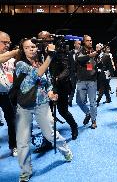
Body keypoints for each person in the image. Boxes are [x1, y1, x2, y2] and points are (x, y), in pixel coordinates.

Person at [15, 39, 72, 182]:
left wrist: (51, 92)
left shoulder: (42, 63)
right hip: (24, 106)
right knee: (22, 141)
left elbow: (47, 82)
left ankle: (66, 150)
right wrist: (50, 56)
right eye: (27, 47)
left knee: (50, 134)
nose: (30, 49)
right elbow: (36, 75)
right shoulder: (20, 64)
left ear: (37, 48)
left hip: (42, 105)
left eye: (33, 46)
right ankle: (25, 172)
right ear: (23, 50)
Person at [0, 31, 18, 156]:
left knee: (11, 121)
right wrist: (16, 51)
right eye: (4, 42)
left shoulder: (11, 59)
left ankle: (14, 146)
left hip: (6, 94)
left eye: (9, 42)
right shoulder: (8, 55)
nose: (7, 45)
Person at [76, 35, 98, 129]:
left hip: (92, 81)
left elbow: (98, 64)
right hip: (81, 80)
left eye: (91, 40)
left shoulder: (94, 51)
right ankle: (88, 113)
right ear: (84, 42)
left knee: (93, 102)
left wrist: (98, 58)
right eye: (88, 40)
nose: (90, 42)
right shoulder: (80, 50)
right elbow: (79, 59)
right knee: (79, 101)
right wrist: (90, 56)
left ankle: (93, 121)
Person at [68, 40, 81, 106]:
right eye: (78, 43)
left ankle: (82, 100)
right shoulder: (70, 53)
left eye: (80, 44)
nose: (79, 45)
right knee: (72, 87)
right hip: (72, 73)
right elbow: (68, 63)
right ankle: (69, 100)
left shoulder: (83, 53)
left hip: (81, 73)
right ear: (74, 44)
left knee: (81, 87)